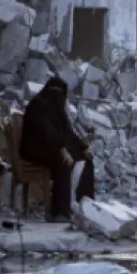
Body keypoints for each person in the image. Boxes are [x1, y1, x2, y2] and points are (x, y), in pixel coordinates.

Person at [20, 77, 94, 222]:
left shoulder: (58, 109)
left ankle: (86, 206)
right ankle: (59, 212)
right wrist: (62, 150)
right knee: (62, 163)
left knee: (86, 160)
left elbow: (68, 133)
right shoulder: (38, 106)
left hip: (53, 147)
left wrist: (83, 147)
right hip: (35, 148)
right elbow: (47, 133)